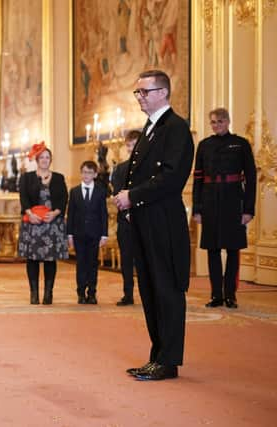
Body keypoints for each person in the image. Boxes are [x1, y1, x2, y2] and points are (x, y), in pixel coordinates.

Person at [114, 69, 194, 381]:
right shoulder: (151, 128)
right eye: (137, 92)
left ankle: (169, 359)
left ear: (162, 92)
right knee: (149, 288)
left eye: (144, 92)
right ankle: (157, 355)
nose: (139, 97)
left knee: (167, 290)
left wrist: (132, 196)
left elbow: (172, 178)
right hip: (146, 221)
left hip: (164, 221)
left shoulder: (175, 128)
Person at [193, 108, 256, 309]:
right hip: (210, 201)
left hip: (233, 201)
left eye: (220, 121)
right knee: (212, 250)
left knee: (232, 250)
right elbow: (198, 180)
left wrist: (248, 209)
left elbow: (252, 179)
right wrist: (197, 208)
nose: (216, 125)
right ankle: (216, 295)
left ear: (228, 121)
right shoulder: (204, 146)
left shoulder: (241, 144)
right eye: (213, 122)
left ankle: (230, 295)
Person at [18, 142, 68, 305]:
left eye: (47, 157)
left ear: (50, 160)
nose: (45, 160)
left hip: (52, 224)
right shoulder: (27, 177)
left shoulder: (59, 178)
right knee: (32, 259)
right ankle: (34, 294)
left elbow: (63, 199)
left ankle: (48, 294)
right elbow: (23, 197)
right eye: (42, 157)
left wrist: (55, 213)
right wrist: (30, 213)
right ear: (37, 159)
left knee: (50, 259)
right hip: (32, 223)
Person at [67, 160, 108, 304]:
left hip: (94, 234)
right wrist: (69, 234)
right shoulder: (74, 191)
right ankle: (80, 292)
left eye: (90, 172)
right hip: (78, 234)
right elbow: (70, 214)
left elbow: (104, 214)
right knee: (81, 263)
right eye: (84, 172)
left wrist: (104, 234)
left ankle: (92, 292)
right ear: (81, 173)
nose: (86, 175)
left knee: (92, 264)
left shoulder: (100, 191)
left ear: (95, 174)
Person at [111, 130, 141, 306]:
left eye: (135, 144)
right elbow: (117, 194)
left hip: (145, 220)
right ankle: (127, 294)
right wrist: (129, 214)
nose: (132, 148)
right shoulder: (120, 168)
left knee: (146, 259)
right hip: (125, 221)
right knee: (127, 259)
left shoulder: (149, 166)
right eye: (129, 145)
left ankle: (149, 294)